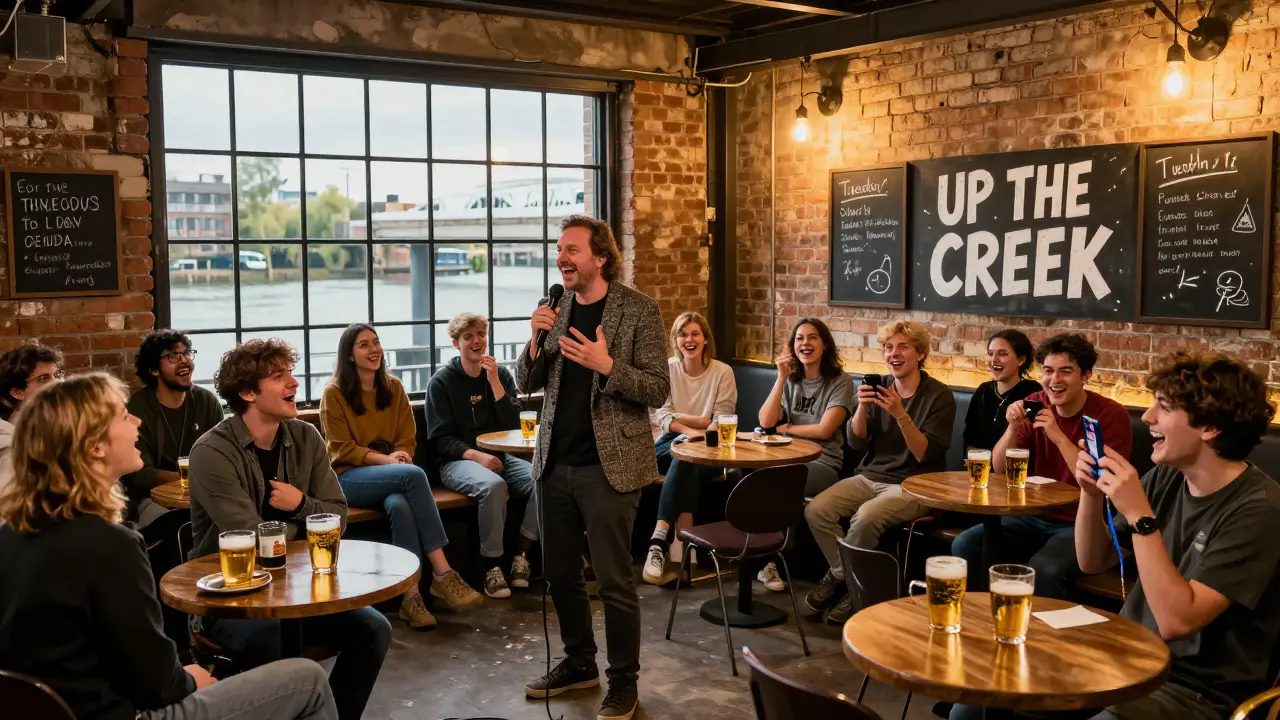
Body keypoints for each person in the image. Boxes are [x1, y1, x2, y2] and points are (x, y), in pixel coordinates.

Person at [951, 353, 1280, 720]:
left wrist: (1140, 516)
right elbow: (1092, 561)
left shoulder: (1259, 510)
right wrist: (1091, 494)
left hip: (1193, 690)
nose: (1149, 416)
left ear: (1210, 427)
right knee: (977, 701)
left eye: (1164, 407)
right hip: (1124, 656)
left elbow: (1177, 622)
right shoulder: (1169, 477)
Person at [0, 372, 338, 720]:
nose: (137, 421)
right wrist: (190, 680)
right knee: (307, 680)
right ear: (95, 446)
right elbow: (158, 685)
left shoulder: (9, 535)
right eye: (122, 415)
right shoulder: (110, 545)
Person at [188, 338, 389, 720]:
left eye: (291, 373)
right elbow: (251, 541)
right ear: (247, 392)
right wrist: (310, 522)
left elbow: (338, 517)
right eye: (279, 376)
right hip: (232, 603)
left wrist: (299, 504)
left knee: (373, 629)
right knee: (277, 644)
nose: (294, 383)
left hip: (300, 592)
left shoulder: (305, 436)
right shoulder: (211, 452)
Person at [517, 215, 668, 720]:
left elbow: (657, 389)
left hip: (612, 467)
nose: (562, 257)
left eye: (572, 249)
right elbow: (527, 382)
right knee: (559, 573)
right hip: (553, 462)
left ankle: (624, 682)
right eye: (559, 249)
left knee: (613, 582)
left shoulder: (638, 310)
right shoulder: (554, 308)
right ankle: (579, 662)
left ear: (599, 257)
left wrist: (607, 367)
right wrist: (535, 338)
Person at [322, 323, 483, 627]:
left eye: (376, 342)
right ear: (350, 355)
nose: (374, 350)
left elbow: (407, 438)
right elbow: (342, 450)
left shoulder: (394, 388)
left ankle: (411, 597)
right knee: (412, 476)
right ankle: (442, 572)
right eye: (364, 345)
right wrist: (391, 461)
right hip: (348, 479)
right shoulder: (334, 394)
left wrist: (402, 456)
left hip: (394, 475)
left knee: (400, 504)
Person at [952, 333, 1132, 599]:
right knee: (965, 543)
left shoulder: (1109, 415)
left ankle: (1043, 636)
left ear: (1086, 375)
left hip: (1080, 524)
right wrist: (1012, 428)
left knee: (1044, 568)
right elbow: (999, 468)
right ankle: (982, 618)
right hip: (1032, 515)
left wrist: (1057, 436)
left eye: (1066, 371)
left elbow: (1097, 483)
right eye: (1048, 371)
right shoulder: (1036, 402)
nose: (1054, 380)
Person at [804, 320, 955, 625]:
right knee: (817, 509)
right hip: (870, 475)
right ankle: (849, 578)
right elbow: (856, 441)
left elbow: (926, 453)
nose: (894, 353)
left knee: (866, 518)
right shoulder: (879, 386)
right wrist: (861, 406)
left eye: (903, 347)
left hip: (916, 485)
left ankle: (853, 588)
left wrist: (901, 414)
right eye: (888, 347)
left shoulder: (939, 396)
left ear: (921, 354)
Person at [426, 313, 538, 599]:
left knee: (543, 479)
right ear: (456, 343)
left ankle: (522, 557)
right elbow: (439, 439)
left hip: (500, 455)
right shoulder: (441, 382)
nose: (476, 342)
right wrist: (475, 456)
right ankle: (492, 567)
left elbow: (514, 425)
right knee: (493, 487)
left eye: (480, 335)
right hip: (457, 462)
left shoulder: (498, 374)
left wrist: (495, 384)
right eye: (468, 337)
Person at [755, 317, 854, 593]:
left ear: (825, 344)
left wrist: (787, 428)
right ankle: (762, 557)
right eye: (799, 338)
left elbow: (826, 429)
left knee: (780, 484)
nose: (805, 344)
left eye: (812, 338)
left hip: (822, 463)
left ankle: (772, 561)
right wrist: (781, 378)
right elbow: (765, 421)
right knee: (760, 480)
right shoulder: (790, 381)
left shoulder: (840, 382)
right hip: (784, 459)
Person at [642, 311, 737, 586]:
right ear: (676, 340)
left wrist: (693, 427)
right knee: (683, 456)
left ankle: (659, 539)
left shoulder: (723, 372)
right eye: (683, 334)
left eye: (695, 333)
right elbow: (662, 417)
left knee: (687, 459)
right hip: (666, 447)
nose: (689, 339)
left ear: (705, 339)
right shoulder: (667, 369)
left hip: (710, 450)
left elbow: (721, 419)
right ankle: (682, 544)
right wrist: (693, 428)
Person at [122, 330, 224, 528]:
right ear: (154, 370)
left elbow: (222, 457)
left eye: (186, 353)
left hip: (203, 495)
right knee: (179, 526)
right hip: (151, 500)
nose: (184, 360)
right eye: (172, 356)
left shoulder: (206, 402)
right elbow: (141, 475)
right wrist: (189, 478)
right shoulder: (137, 409)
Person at [0, 343, 63, 493]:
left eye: (57, 375)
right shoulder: (10, 447)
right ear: (17, 392)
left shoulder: (52, 423)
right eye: (43, 379)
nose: (57, 383)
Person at [963, 329, 1040, 451]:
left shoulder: (1033, 392)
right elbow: (970, 440)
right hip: (981, 466)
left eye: (1003, 354)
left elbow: (1034, 445)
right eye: (990, 353)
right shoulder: (983, 391)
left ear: (1021, 360)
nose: (994, 359)